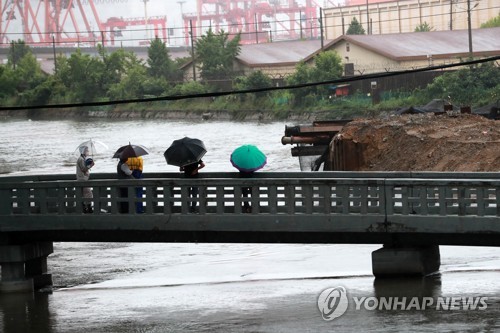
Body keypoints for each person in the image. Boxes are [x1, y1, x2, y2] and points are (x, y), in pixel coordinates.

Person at [76, 146, 95, 214]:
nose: (88, 152)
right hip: (82, 179)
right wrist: (90, 165)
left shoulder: (82, 158)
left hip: (83, 178)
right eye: (86, 150)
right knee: (89, 193)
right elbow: (83, 169)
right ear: (83, 151)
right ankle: (88, 208)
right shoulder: (81, 159)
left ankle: (85, 208)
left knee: (85, 194)